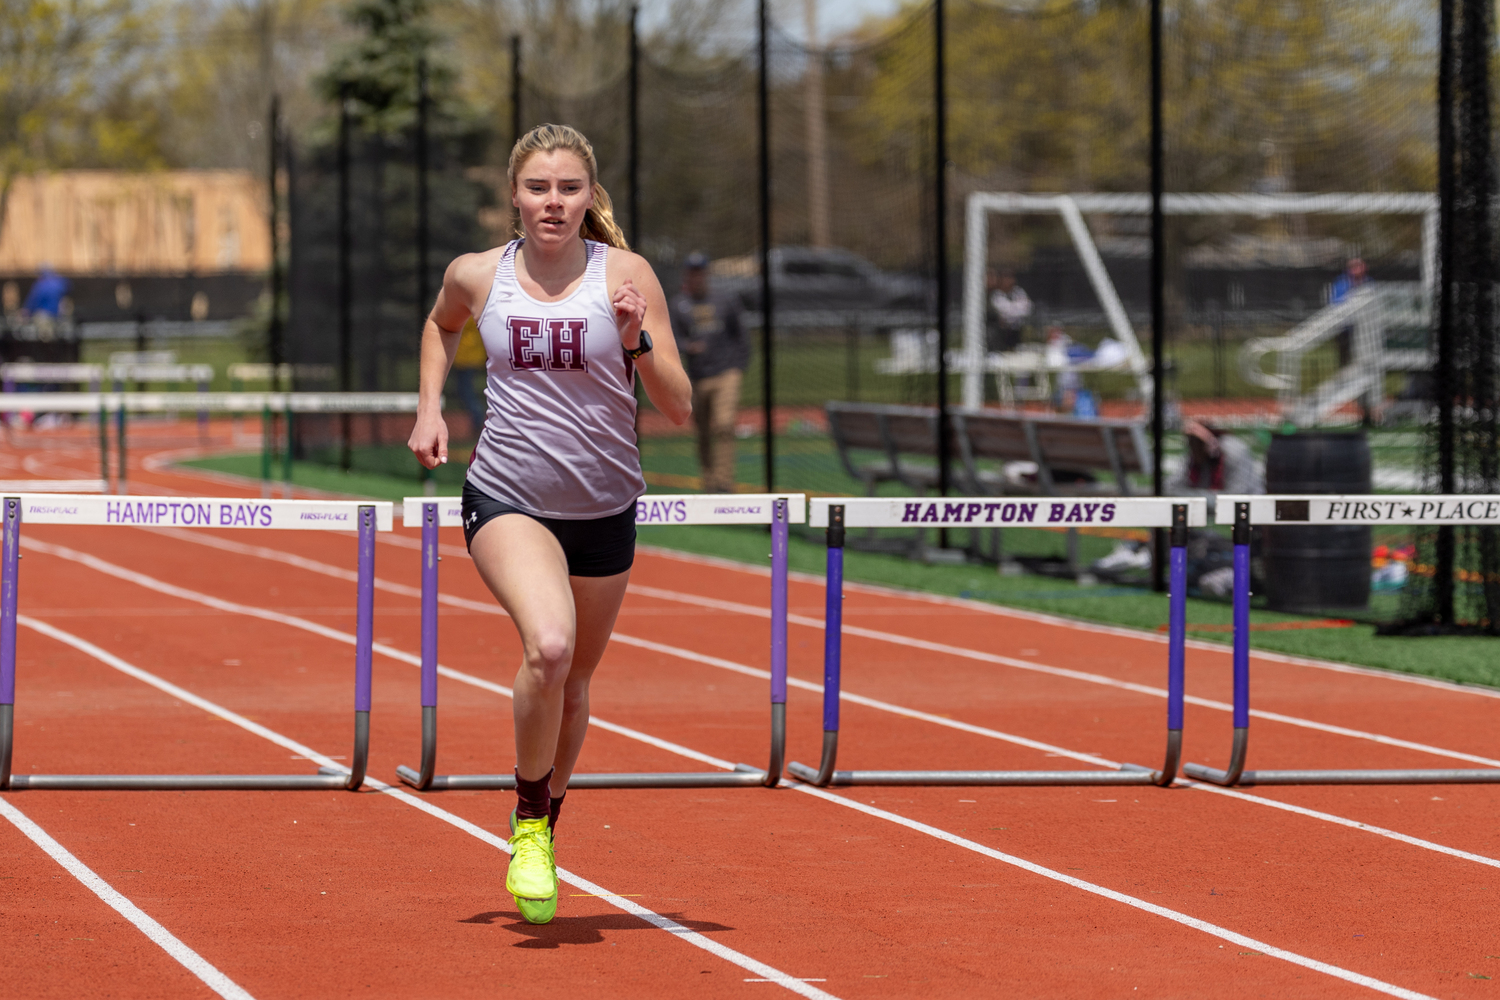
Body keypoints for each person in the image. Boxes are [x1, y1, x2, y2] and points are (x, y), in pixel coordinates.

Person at [407, 124, 692, 925]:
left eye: (569, 188)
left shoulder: (625, 276)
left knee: (572, 688)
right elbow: (441, 325)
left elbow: (678, 405)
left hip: (604, 508)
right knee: (551, 647)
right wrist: (430, 407)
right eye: (539, 188)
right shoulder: (477, 274)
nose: (553, 202)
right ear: (515, 196)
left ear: (589, 197)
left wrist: (635, 337)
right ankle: (528, 825)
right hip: (508, 498)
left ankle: (546, 820)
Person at [669, 252, 747, 493]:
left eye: (700, 272)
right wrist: (687, 347)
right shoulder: (679, 305)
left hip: (726, 373)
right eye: (692, 273)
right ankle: (710, 481)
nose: (696, 277)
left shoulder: (725, 300)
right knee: (702, 431)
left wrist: (738, 366)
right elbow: (670, 339)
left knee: (724, 425)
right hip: (697, 377)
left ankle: (724, 482)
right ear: (686, 275)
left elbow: (741, 334)